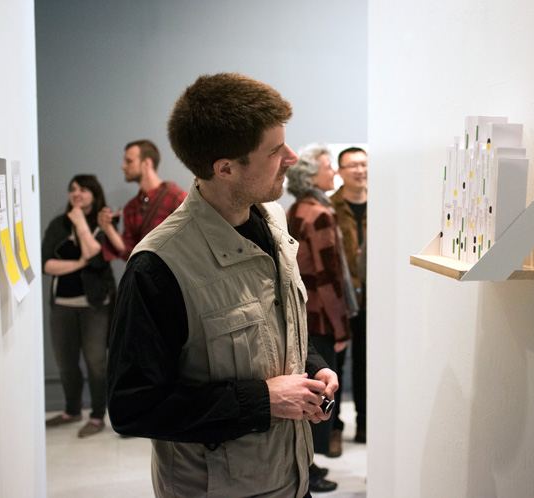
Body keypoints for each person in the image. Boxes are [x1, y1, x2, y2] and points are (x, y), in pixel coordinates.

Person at [107, 73, 338, 498]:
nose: (291, 157)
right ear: (225, 168)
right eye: (275, 150)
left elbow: (272, 320)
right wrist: (262, 401)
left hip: (292, 478)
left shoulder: (272, 219)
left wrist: (312, 364)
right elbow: (132, 406)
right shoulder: (159, 266)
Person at [286, 143, 357, 493]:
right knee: (320, 396)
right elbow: (329, 279)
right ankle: (308, 469)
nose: (334, 172)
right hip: (322, 320)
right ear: (312, 174)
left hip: (304, 316)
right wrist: (342, 326)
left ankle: (308, 466)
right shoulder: (321, 214)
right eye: (329, 166)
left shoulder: (298, 208)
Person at [42, 174, 116, 438]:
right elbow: (46, 265)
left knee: (96, 362)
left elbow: (97, 259)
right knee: (65, 362)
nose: (76, 193)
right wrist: (79, 263)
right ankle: (71, 411)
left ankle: (97, 416)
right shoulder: (57, 225)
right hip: (62, 305)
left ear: (94, 195)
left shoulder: (105, 225)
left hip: (95, 305)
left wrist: (81, 224)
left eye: (83, 189)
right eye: (73, 189)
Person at [330, 146, 368, 454]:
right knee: (337, 365)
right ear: (340, 171)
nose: (359, 170)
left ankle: (367, 423)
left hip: (373, 299)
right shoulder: (329, 208)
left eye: (363, 164)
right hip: (340, 301)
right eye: (352, 165)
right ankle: (334, 428)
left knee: (369, 364)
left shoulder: (380, 205)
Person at [97, 139, 186, 261]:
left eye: (129, 161)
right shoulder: (131, 207)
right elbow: (129, 252)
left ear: (147, 163)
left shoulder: (175, 196)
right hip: (147, 276)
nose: (123, 166)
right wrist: (107, 227)